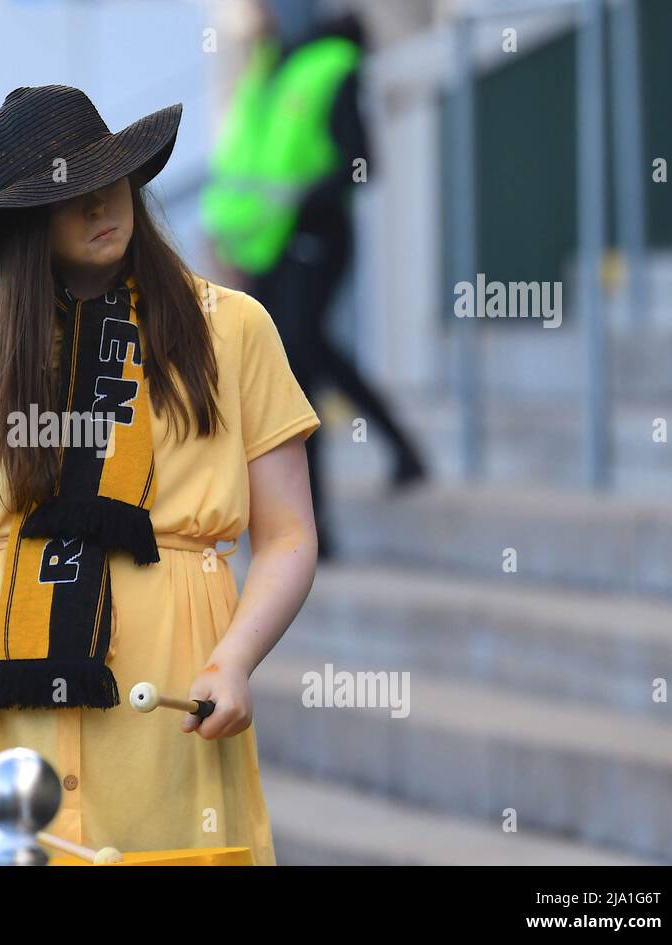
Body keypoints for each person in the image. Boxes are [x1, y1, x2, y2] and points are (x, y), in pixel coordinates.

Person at [0, 84, 320, 866]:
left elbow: (287, 535)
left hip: (170, 716)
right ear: (24, 225)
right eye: (68, 197)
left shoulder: (235, 326)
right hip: (7, 725)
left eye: (106, 181)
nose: (99, 207)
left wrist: (234, 660)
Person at [202, 0, 426, 560]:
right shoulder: (265, 67)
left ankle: (314, 525)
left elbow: (362, 162)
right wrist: (228, 234)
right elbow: (244, 163)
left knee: (299, 366)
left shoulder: (332, 63)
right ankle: (401, 450)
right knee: (311, 353)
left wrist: (300, 199)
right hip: (261, 245)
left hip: (315, 238)